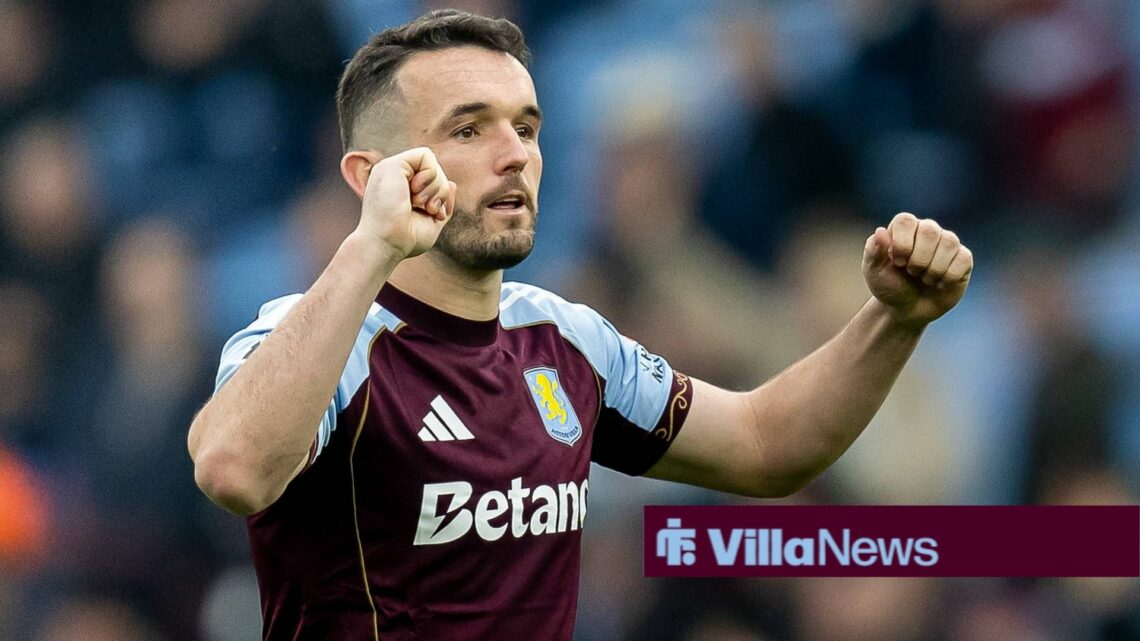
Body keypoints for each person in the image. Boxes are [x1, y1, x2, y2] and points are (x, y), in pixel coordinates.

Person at [187, 9, 974, 641]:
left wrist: (894, 320)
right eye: (469, 130)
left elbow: (768, 445)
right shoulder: (315, 340)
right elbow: (234, 469)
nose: (514, 155)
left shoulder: (566, 342)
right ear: (370, 174)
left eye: (525, 127)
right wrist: (370, 246)